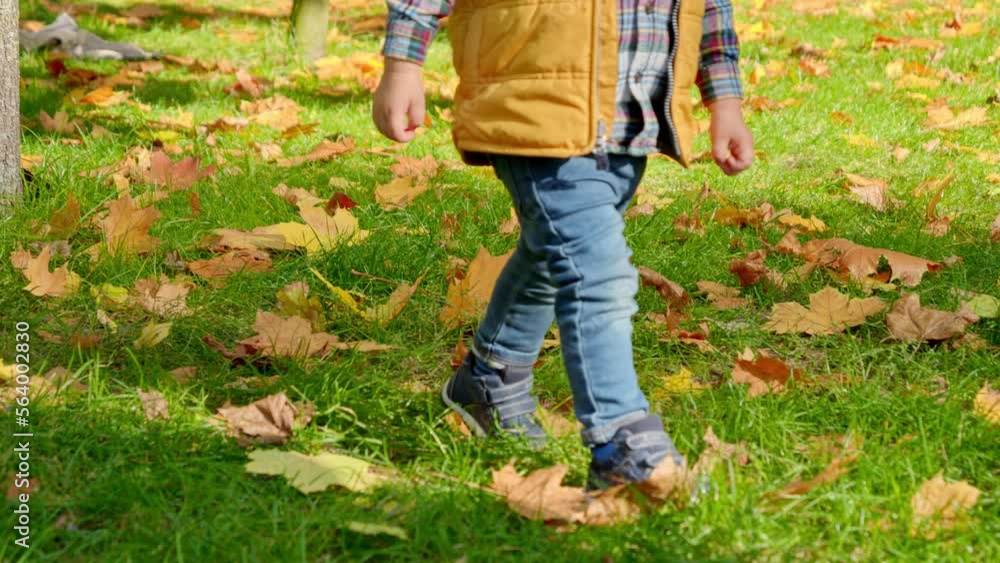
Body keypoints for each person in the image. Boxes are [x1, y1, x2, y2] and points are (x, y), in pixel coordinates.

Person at [373, 0, 753, 488]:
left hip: (633, 117)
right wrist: (403, 63)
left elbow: (711, 7)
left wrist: (725, 102)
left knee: (551, 254)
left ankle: (489, 379)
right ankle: (622, 443)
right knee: (598, 275)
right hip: (534, 104)